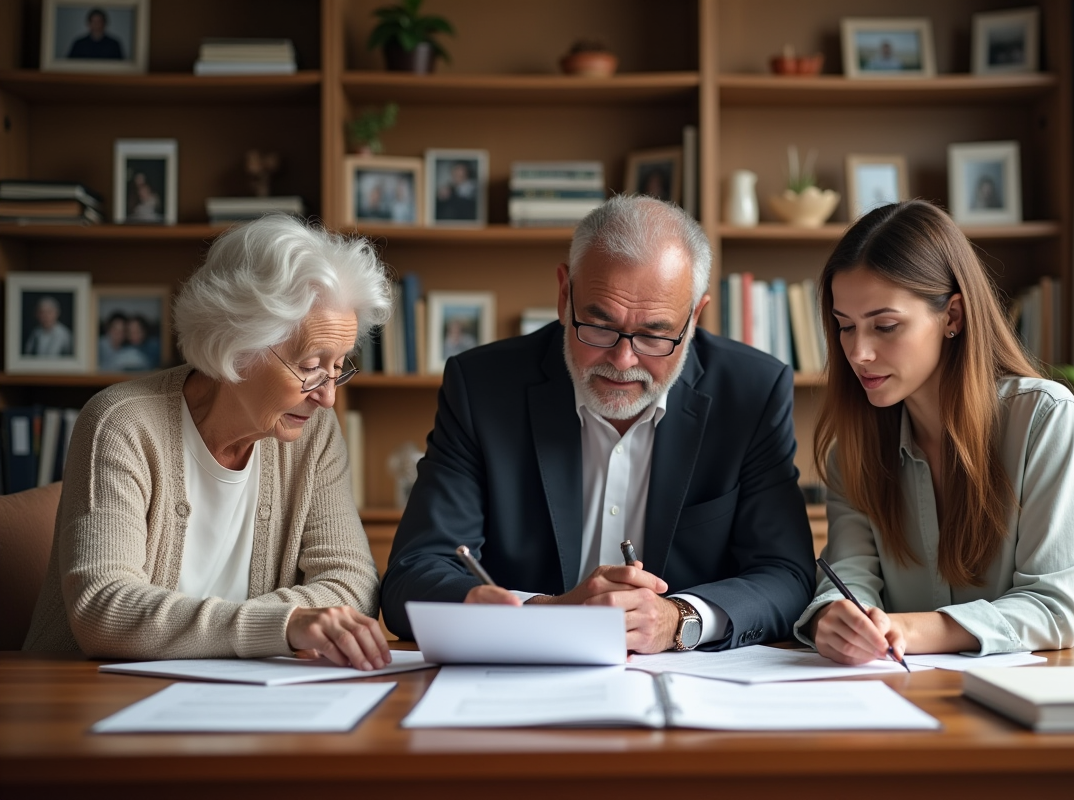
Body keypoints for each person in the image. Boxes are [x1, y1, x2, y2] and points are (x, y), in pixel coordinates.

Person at [382, 195, 815, 653]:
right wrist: (540, 613)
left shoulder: (751, 393)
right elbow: (413, 574)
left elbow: (787, 577)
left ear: (694, 318)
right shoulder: (482, 388)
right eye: (599, 325)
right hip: (520, 681)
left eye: (654, 334)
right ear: (564, 294)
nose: (623, 359)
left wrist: (681, 618)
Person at [24, 215, 394, 671]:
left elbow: (352, 582)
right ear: (238, 346)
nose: (328, 395)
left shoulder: (312, 435)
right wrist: (284, 624)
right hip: (87, 700)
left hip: (244, 701)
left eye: (339, 366)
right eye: (311, 365)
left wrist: (285, 624)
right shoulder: (122, 425)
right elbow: (104, 607)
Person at [793, 200, 1074, 663]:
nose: (859, 353)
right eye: (845, 327)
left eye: (885, 326)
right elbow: (850, 575)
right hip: (941, 693)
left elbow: (1053, 610)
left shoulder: (1044, 418)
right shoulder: (853, 450)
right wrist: (833, 616)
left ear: (952, 316)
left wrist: (904, 628)